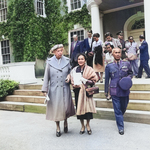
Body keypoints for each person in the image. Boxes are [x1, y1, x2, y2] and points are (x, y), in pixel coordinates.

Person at [42, 44, 75, 137]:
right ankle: (57, 127)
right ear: (54, 52)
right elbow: (46, 76)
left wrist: (69, 76)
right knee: (56, 108)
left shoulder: (67, 61)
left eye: (61, 50)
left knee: (65, 107)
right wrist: (45, 90)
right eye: (58, 51)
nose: (60, 52)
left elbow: (70, 72)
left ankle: (65, 121)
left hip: (65, 87)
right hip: (54, 89)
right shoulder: (49, 62)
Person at [105, 48, 133, 135]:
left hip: (124, 89)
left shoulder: (126, 63)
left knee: (124, 107)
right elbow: (106, 80)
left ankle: (119, 116)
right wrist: (106, 92)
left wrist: (127, 79)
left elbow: (131, 73)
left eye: (119, 52)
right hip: (114, 90)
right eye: (115, 53)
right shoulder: (109, 66)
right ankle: (121, 127)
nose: (117, 54)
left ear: (121, 54)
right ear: (112, 54)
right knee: (117, 109)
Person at [69, 53, 98, 135]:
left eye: (82, 59)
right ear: (77, 60)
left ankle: (88, 125)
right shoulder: (74, 70)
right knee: (79, 108)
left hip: (87, 91)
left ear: (85, 60)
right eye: (79, 59)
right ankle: (82, 126)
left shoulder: (89, 69)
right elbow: (72, 80)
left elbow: (94, 79)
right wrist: (74, 84)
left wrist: (86, 81)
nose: (80, 61)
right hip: (78, 91)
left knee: (88, 110)